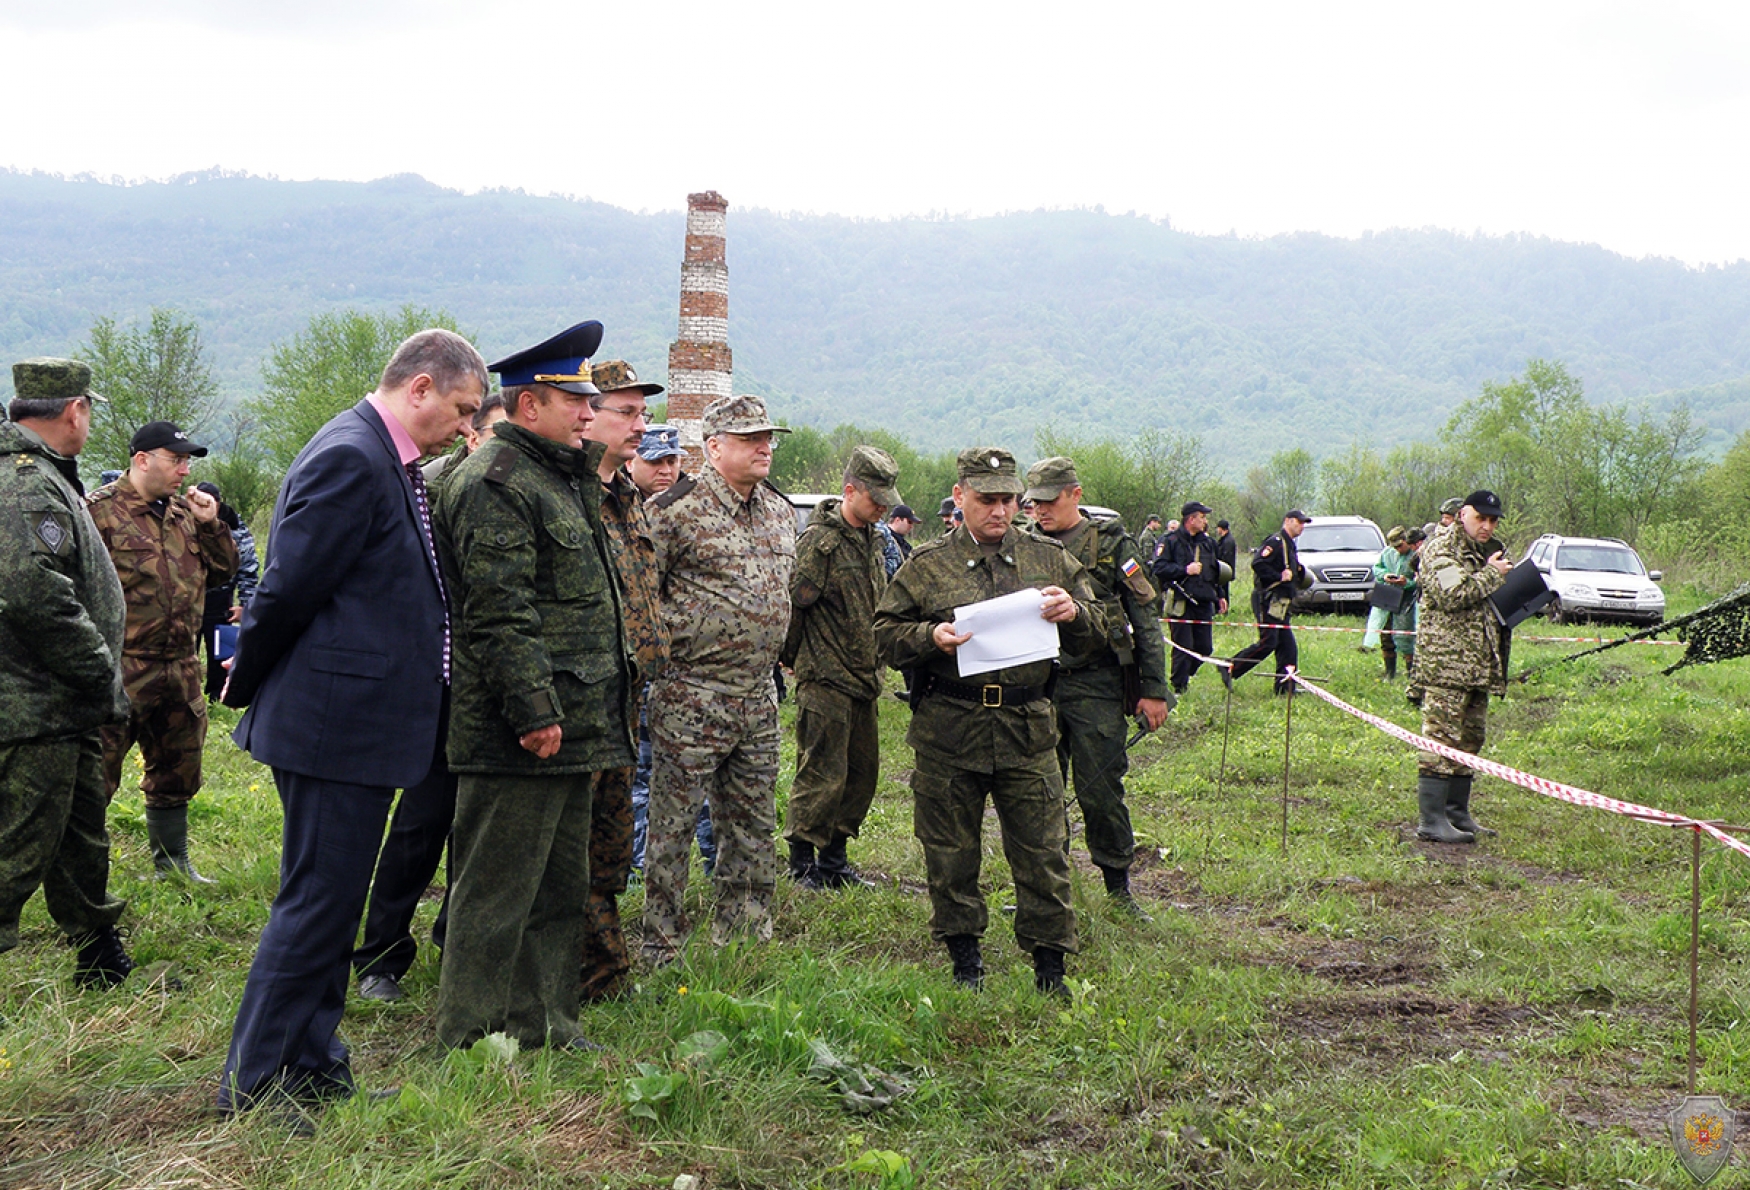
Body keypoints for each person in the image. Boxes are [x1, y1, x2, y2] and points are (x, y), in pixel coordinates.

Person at [217, 328, 485, 1129]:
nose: (469, 429)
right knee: (313, 905)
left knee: (333, 906)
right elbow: (289, 590)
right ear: (422, 388)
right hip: (334, 726)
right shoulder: (352, 456)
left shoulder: (380, 453)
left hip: (355, 723)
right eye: (465, 410)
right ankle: (256, 1083)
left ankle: (314, 1061)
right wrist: (248, 685)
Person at [430, 322, 633, 1049]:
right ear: (528, 406)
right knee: (494, 891)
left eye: (589, 401)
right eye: (573, 400)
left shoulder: (560, 477)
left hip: (576, 721)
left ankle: (546, 1020)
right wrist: (533, 710)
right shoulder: (498, 483)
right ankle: (470, 1034)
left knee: (557, 888)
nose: (588, 413)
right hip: (520, 729)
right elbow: (499, 610)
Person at [873, 447, 1104, 996]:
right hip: (950, 727)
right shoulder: (927, 564)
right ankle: (964, 959)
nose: (1000, 511)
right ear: (960, 498)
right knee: (950, 851)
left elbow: (1097, 625)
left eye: (1008, 500)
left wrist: (1073, 614)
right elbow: (883, 633)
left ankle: (1050, 968)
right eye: (987, 500)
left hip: (1027, 727)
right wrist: (930, 637)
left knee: (1044, 850)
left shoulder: (1047, 559)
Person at [642, 394, 796, 966]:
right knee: (673, 824)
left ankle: (746, 928)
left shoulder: (779, 511)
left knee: (752, 819)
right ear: (713, 447)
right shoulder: (674, 509)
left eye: (768, 438)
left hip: (758, 695)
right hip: (691, 692)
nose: (765, 448)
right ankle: (662, 939)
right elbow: (640, 597)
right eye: (752, 439)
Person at [0, 358, 139, 989]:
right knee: (17, 849)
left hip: (66, 706)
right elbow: (32, 591)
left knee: (81, 837)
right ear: (74, 410)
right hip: (37, 708)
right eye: (89, 410)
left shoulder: (47, 476)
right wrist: (96, 667)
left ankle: (98, 955)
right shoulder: (27, 483)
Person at [88, 421, 239, 882]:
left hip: (180, 667)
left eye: (187, 461)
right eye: (176, 460)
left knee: (178, 771)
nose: (184, 469)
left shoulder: (183, 514)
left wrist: (212, 523)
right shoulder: (100, 512)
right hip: (121, 669)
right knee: (94, 778)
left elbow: (223, 571)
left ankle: (172, 866)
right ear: (142, 461)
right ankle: (82, 878)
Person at [1023, 457, 1170, 918]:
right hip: (1036, 683)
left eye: (1049, 501)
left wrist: (1153, 688)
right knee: (1037, 791)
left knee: (1100, 789)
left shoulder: (1112, 544)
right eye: (1034, 503)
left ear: (1075, 495)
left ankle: (1117, 887)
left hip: (1096, 682)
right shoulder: (1023, 544)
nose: (1041, 511)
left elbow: (1144, 616)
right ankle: (1046, 889)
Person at [576, 358, 667, 1003]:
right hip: (577, 702)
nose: (642, 426)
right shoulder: (567, 493)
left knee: (610, 844)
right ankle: (589, 969)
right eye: (627, 412)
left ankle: (602, 968)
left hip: (625, 700)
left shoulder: (627, 497)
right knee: (573, 846)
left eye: (644, 412)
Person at [782, 446, 901, 890]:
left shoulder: (873, 537)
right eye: (876, 499)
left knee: (859, 775)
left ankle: (834, 860)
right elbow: (796, 605)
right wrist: (790, 659)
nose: (883, 507)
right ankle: (801, 864)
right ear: (850, 491)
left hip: (864, 676)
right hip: (826, 675)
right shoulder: (822, 542)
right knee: (821, 774)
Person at [624, 424, 717, 876]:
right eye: (655, 461)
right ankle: (640, 868)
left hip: (688, 671)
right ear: (630, 461)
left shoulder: (693, 512)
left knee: (697, 776)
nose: (665, 471)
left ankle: (711, 864)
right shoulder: (621, 510)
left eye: (672, 461)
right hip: (639, 669)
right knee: (642, 776)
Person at [1413, 491, 1513, 844]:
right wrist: (1491, 575)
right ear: (1461, 515)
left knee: (1470, 740)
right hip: (1446, 665)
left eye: (1493, 520)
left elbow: (1481, 600)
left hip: (1475, 664)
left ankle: (1457, 814)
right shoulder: (1442, 548)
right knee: (1441, 739)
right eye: (1480, 518)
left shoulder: (1479, 552)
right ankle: (1431, 820)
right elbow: (1451, 595)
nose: (1487, 526)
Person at [1227, 511, 1310, 694]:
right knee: (1268, 642)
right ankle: (1231, 667)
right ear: (1287, 521)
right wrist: (1278, 576)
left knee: (1287, 647)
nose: (1302, 526)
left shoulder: (1289, 545)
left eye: (1304, 523)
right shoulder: (1276, 542)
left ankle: (1285, 688)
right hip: (1268, 600)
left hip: (1281, 603)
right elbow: (1258, 563)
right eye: (1299, 522)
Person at [1154, 500, 1228, 695]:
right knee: (1183, 647)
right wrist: (1184, 570)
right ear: (1191, 519)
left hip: (1204, 601)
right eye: (1202, 517)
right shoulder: (1170, 541)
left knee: (1205, 648)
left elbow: (1215, 573)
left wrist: (1220, 596)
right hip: (1181, 601)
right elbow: (1159, 568)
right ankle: (1179, 687)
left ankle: (1188, 673)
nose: (1205, 521)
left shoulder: (1209, 543)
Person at [194, 482, 259, 702]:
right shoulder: (183, 520)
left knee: (219, 651)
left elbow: (248, 567)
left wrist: (246, 606)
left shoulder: (234, 526)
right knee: (184, 652)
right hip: (188, 597)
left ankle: (217, 695)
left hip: (220, 599)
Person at [1213, 519, 1236, 611]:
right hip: (1223, 570)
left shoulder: (1228, 541)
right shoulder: (1224, 540)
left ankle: (1224, 609)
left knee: (1224, 590)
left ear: (1221, 528)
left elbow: (1226, 557)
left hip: (1224, 571)